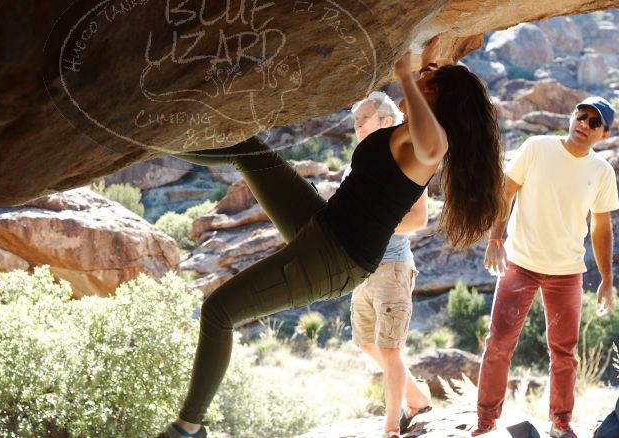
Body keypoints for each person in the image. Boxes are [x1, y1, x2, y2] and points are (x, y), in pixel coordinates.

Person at [157, 36, 506, 438]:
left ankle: (187, 428)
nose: (423, 73)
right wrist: (427, 61)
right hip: (322, 222)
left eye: (430, 77)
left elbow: (429, 118)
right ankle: (148, 145)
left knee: (219, 311)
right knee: (250, 150)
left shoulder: (433, 143)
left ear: (434, 93)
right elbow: (434, 75)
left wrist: (409, 75)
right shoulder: (409, 127)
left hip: (339, 258)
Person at [472, 96, 618, 438]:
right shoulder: (536, 147)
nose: (585, 124)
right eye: (581, 116)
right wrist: (495, 239)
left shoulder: (601, 172)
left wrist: (607, 279)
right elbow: (504, 193)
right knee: (499, 343)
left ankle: (560, 422)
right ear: (572, 116)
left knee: (565, 352)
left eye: (594, 123)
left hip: (567, 272)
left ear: (604, 134)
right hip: (520, 263)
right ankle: (486, 420)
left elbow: (601, 227)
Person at [344, 92, 432, 438]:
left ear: (385, 120)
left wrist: (371, 223)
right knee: (366, 342)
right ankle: (417, 397)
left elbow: (419, 219)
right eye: (355, 120)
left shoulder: (407, 158)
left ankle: (392, 428)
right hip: (361, 267)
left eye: (363, 118)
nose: (357, 125)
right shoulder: (358, 161)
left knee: (390, 349)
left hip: (393, 265)